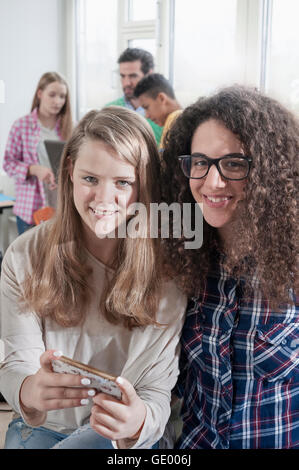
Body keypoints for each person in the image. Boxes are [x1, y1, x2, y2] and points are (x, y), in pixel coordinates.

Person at [0, 106, 186, 449]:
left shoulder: (168, 268)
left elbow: (156, 392)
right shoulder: (24, 255)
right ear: (70, 172)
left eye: (123, 182)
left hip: (123, 434)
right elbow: (16, 362)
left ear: (143, 186)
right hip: (44, 428)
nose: (104, 199)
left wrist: (137, 421)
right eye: (90, 179)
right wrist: (30, 389)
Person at [160, 85, 299, 449]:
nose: (213, 182)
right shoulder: (181, 259)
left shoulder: (292, 265)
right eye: (200, 162)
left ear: (269, 170)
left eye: (234, 163)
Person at [3, 72, 73, 234]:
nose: (57, 101)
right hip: (30, 208)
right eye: (52, 95)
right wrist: (34, 169)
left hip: (61, 206)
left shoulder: (71, 126)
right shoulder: (22, 125)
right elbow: (8, 163)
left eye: (62, 96)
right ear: (40, 94)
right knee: (31, 258)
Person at [106, 48, 163, 145]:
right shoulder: (108, 111)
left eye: (133, 76)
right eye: (123, 76)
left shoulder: (163, 114)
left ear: (149, 75)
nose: (127, 83)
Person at [134, 73, 182, 151]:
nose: (146, 115)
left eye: (146, 107)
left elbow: (165, 162)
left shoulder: (174, 119)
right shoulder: (179, 121)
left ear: (162, 98)